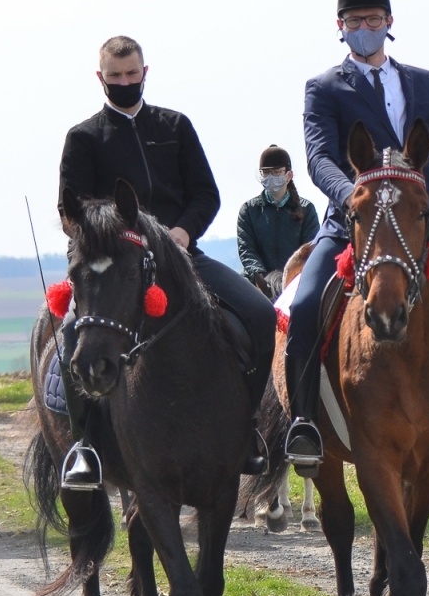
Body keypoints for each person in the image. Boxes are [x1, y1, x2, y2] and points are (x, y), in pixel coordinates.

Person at [283, 0, 429, 464]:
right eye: (354, 21)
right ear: (339, 26)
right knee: (303, 307)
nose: (364, 28)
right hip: (353, 222)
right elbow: (319, 158)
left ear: (389, 21)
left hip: (420, 222)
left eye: (372, 19)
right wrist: (352, 196)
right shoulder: (323, 88)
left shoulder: (422, 82)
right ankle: (304, 424)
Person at [58, 35, 277, 480]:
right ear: (101, 78)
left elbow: (206, 194)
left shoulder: (176, 126)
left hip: (181, 256)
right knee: (69, 336)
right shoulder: (82, 138)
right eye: (115, 76)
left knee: (259, 314)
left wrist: (182, 232)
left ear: (145, 73)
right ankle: (85, 446)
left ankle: (249, 428)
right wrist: (113, 236)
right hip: (110, 267)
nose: (124, 82)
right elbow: (69, 212)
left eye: (131, 74)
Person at [236, 145, 319, 298]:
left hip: (295, 283)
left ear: (289, 175)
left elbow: (309, 249)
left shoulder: (306, 209)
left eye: (276, 172)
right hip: (258, 284)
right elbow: (247, 250)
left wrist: (291, 279)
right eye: (266, 172)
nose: (271, 177)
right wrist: (261, 278)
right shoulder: (249, 210)